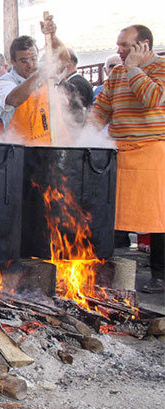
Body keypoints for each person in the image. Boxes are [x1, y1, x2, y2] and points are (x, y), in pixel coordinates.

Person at [89, 24, 165, 293]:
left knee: (158, 219)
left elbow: (152, 99)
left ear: (144, 45)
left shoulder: (161, 68)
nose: (119, 50)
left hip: (152, 152)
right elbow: (101, 110)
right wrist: (80, 135)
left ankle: (160, 274)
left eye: (125, 45)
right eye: (119, 44)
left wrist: (135, 69)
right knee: (111, 213)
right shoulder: (116, 73)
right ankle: (105, 268)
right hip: (119, 151)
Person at [0, 14, 67, 145]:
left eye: (34, 58)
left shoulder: (44, 72)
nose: (31, 64)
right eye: (24, 61)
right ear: (13, 62)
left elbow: (63, 60)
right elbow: (14, 99)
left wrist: (52, 36)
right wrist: (40, 74)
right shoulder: (5, 82)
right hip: (21, 153)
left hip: (51, 146)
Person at [59, 48, 94, 127]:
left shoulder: (77, 83)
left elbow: (75, 114)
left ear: (68, 62)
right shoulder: (70, 81)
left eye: (57, 62)